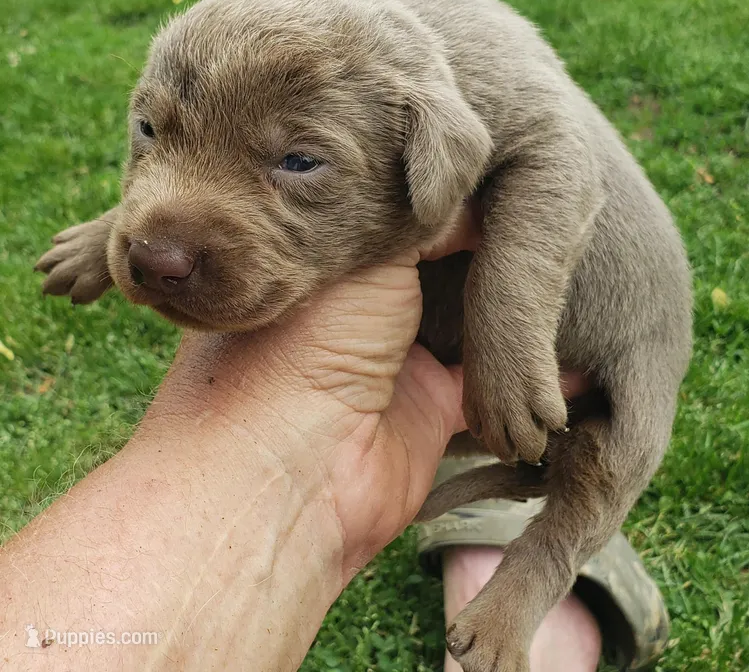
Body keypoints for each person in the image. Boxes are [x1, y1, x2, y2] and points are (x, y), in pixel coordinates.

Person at [0, 212, 666, 671]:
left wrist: (505, 337)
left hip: (594, 356)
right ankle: (521, 591)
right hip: (437, 363)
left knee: (598, 462)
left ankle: (523, 579)